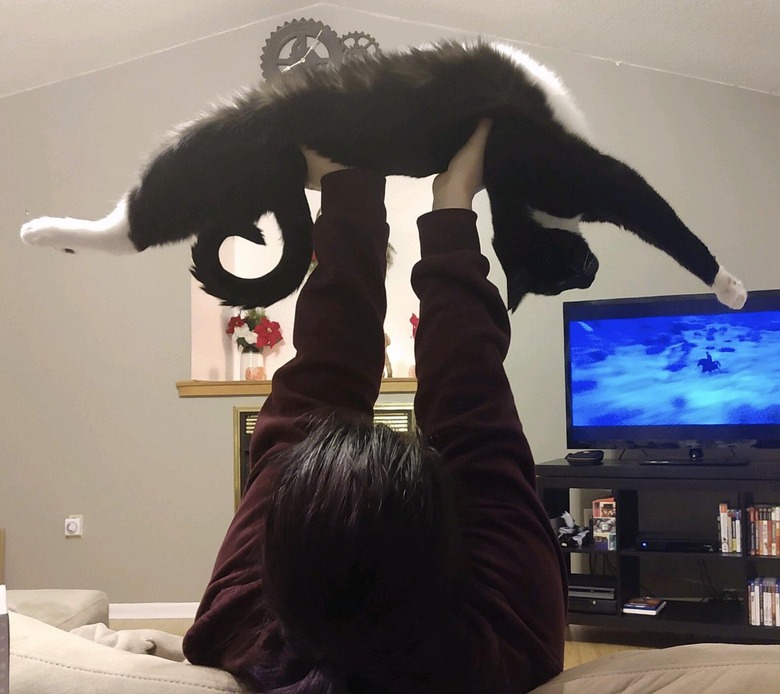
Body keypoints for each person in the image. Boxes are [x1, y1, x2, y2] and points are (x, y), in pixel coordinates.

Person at [182, 120, 568, 693]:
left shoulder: (234, 632)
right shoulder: (504, 646)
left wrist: (397, 198)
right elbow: (475, 425)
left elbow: (474, 431)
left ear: (274, 572)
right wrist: (438, 202)